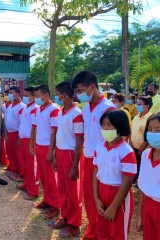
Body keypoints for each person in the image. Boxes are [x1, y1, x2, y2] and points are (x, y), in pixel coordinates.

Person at [72, 70, 115, 240]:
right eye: (76, 92)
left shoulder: (108, 108)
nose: (78, 95)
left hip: (103, 161)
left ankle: (102, 233)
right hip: (89, 158)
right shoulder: (87, 109)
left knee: (102, 200)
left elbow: (116, 139)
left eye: (80, 91)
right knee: (90, 199)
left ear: (91, 87)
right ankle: (93, 231)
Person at [93, 110, 136, 239]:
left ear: (119, 126)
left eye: (109, 125)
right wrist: (96, 199)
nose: (105, 128)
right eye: (103, 125)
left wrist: (113, 207)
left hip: (118, 195)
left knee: (117, 233)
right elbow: (95, 173)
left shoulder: (126, 151)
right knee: (102, 231)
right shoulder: (99, 148)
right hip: (102, 191)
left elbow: (127, 182)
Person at [50, 82, 84, 238]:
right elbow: (59, 135)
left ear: (64, 95)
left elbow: (79, 141)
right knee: (62, 188)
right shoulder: (60, 112)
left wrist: (75, 165)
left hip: (71, 155)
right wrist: (56, 155)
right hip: (61, 153)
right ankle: (65, 216)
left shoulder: (77, 114)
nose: (56, 97)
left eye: (57, 94)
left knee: (73, 192)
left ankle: (75, 224)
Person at [30, 84, 60, 219]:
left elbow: (55, 132)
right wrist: (33, 144)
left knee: (51, 178)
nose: (36, 99)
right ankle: (47, 199)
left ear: (46, 95)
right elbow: (35, 128)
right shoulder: (39, 109)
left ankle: (55, 205)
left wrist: (51, 151)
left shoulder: (54, 110)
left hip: (48, 147)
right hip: (39, 146)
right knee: (42, 176)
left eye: (37, 96)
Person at [137, 113, 160, 240]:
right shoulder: (146, 155)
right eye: (150, 129)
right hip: (148, 206)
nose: (153, 133)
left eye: (158, 130)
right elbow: (142, 186)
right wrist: (140, 214)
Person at [17, 87, 39, 200]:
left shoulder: (35, 109)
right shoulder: (27, 107)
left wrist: (31, 143)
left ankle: (34, 190)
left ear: (33, 96)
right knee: (25, 165)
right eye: (23, 95)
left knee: (32, 166)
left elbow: (34, 128)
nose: (24, 97)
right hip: (24, 139)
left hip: (30, 140)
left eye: (26, 95)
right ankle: (26, 184)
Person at [130, 96, 152, 185]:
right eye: (137, 103)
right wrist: (131, 143)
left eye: (139, 104)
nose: (137, 105)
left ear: (146, 106)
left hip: (143, 148)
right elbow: (132, 131)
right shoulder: (136, 117)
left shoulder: (150, 118)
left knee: (142, 166)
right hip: (133, 147)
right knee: (135, 164)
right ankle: (134, 180)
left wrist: (142, 147)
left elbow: (148, 135)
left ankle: (140, 182)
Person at [6, 87, 25, 181]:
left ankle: (21, 173)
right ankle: (13, 168)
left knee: (18, 154)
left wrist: (19, 137)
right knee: (11, 152)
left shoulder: (21, 107)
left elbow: (22, 123)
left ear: (17, 93)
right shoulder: (11, 105)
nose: (9, 95)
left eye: (11, 93)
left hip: (17, 133)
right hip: (10, 133)